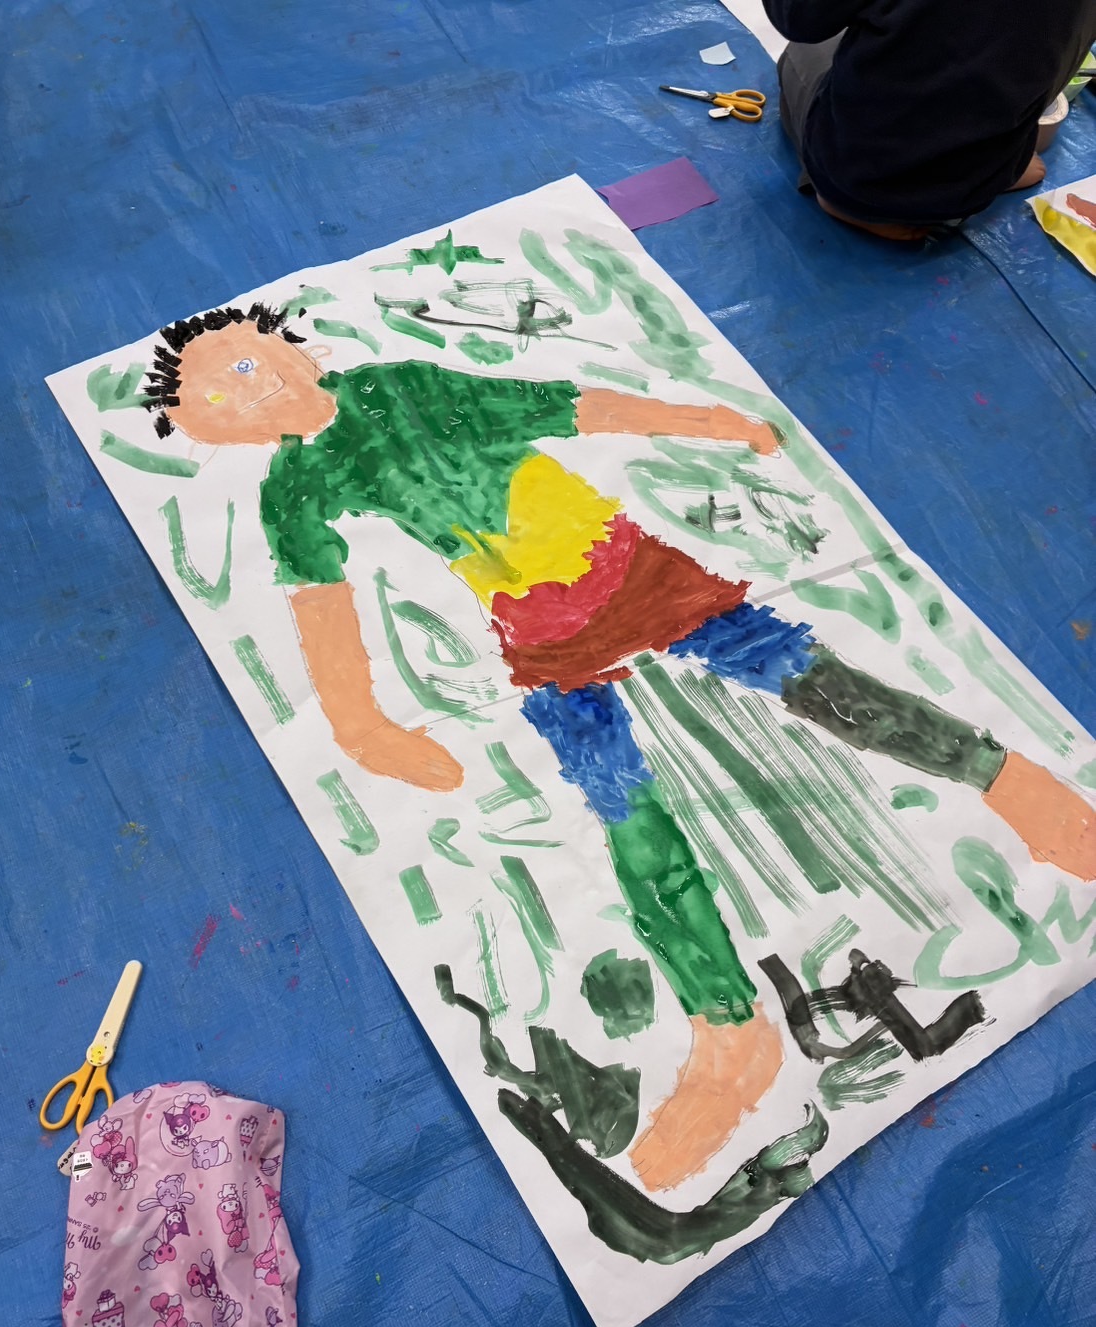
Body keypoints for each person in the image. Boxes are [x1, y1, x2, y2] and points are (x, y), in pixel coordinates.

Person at [144, 304, 1095, 1190]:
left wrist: (710, 422)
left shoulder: (399, 387)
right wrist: (361, 725)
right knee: (629, 821)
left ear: (287, 343)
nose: (243, 396)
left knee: (823, 688)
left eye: (241, 366)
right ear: (205, 431)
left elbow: (567, 406)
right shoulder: (293, 489)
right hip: (540, 637)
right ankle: (730, 1033)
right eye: (213, 401)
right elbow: (321, 602)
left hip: (636, 573)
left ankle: (1025, 792)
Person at [764, 0, 1096, 239]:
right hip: (989, 169)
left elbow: (797, 17)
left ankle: (856, 206)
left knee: (801, 53)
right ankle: (987, 168)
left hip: (863, 177)